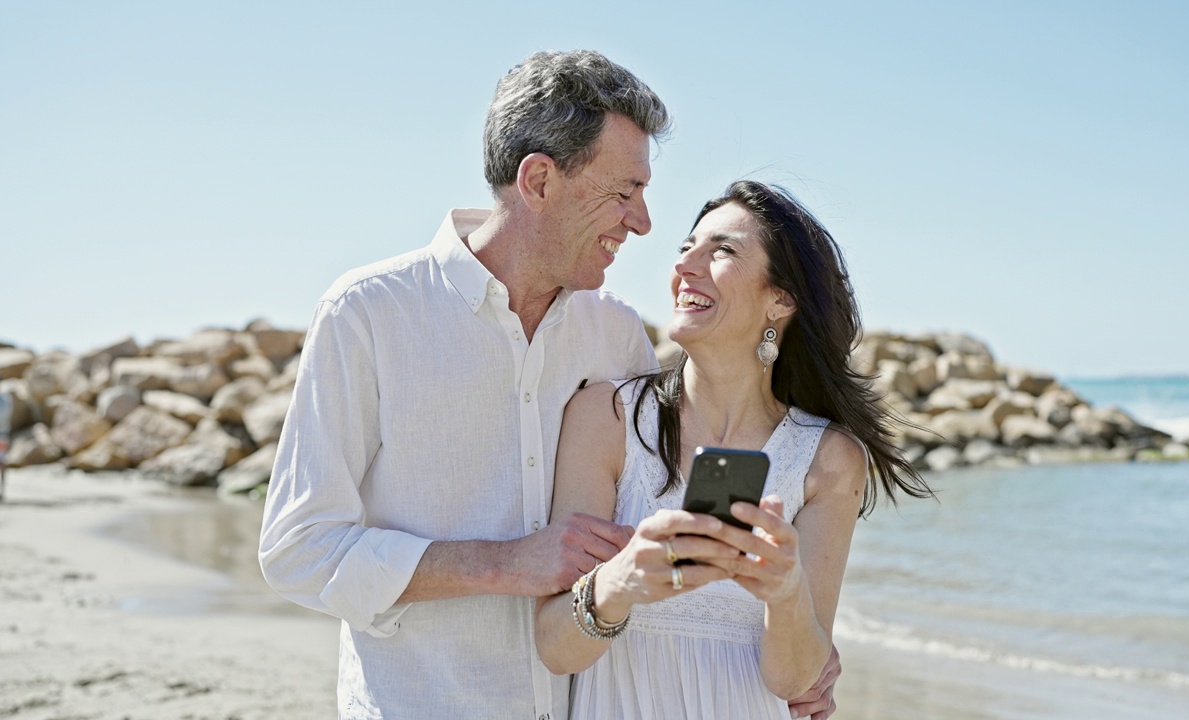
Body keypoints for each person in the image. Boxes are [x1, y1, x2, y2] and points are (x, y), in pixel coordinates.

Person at [258, 51, 840, 719]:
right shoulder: (367, 314)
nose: (644, 223)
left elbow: (677, 504)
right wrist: (506, 563)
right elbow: (298, 549)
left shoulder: (615, 337)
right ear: (538, 180)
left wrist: (806, 632)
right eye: (624, 192)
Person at [534, 181, 932, 719]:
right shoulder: (606, 419)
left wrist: (785, 589)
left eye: (721, 250)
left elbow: (794, 682)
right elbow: (555, 648)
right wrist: (622, 579)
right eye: (685, 249)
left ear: (781, 299)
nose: (686, 266)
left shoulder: (827, 460)